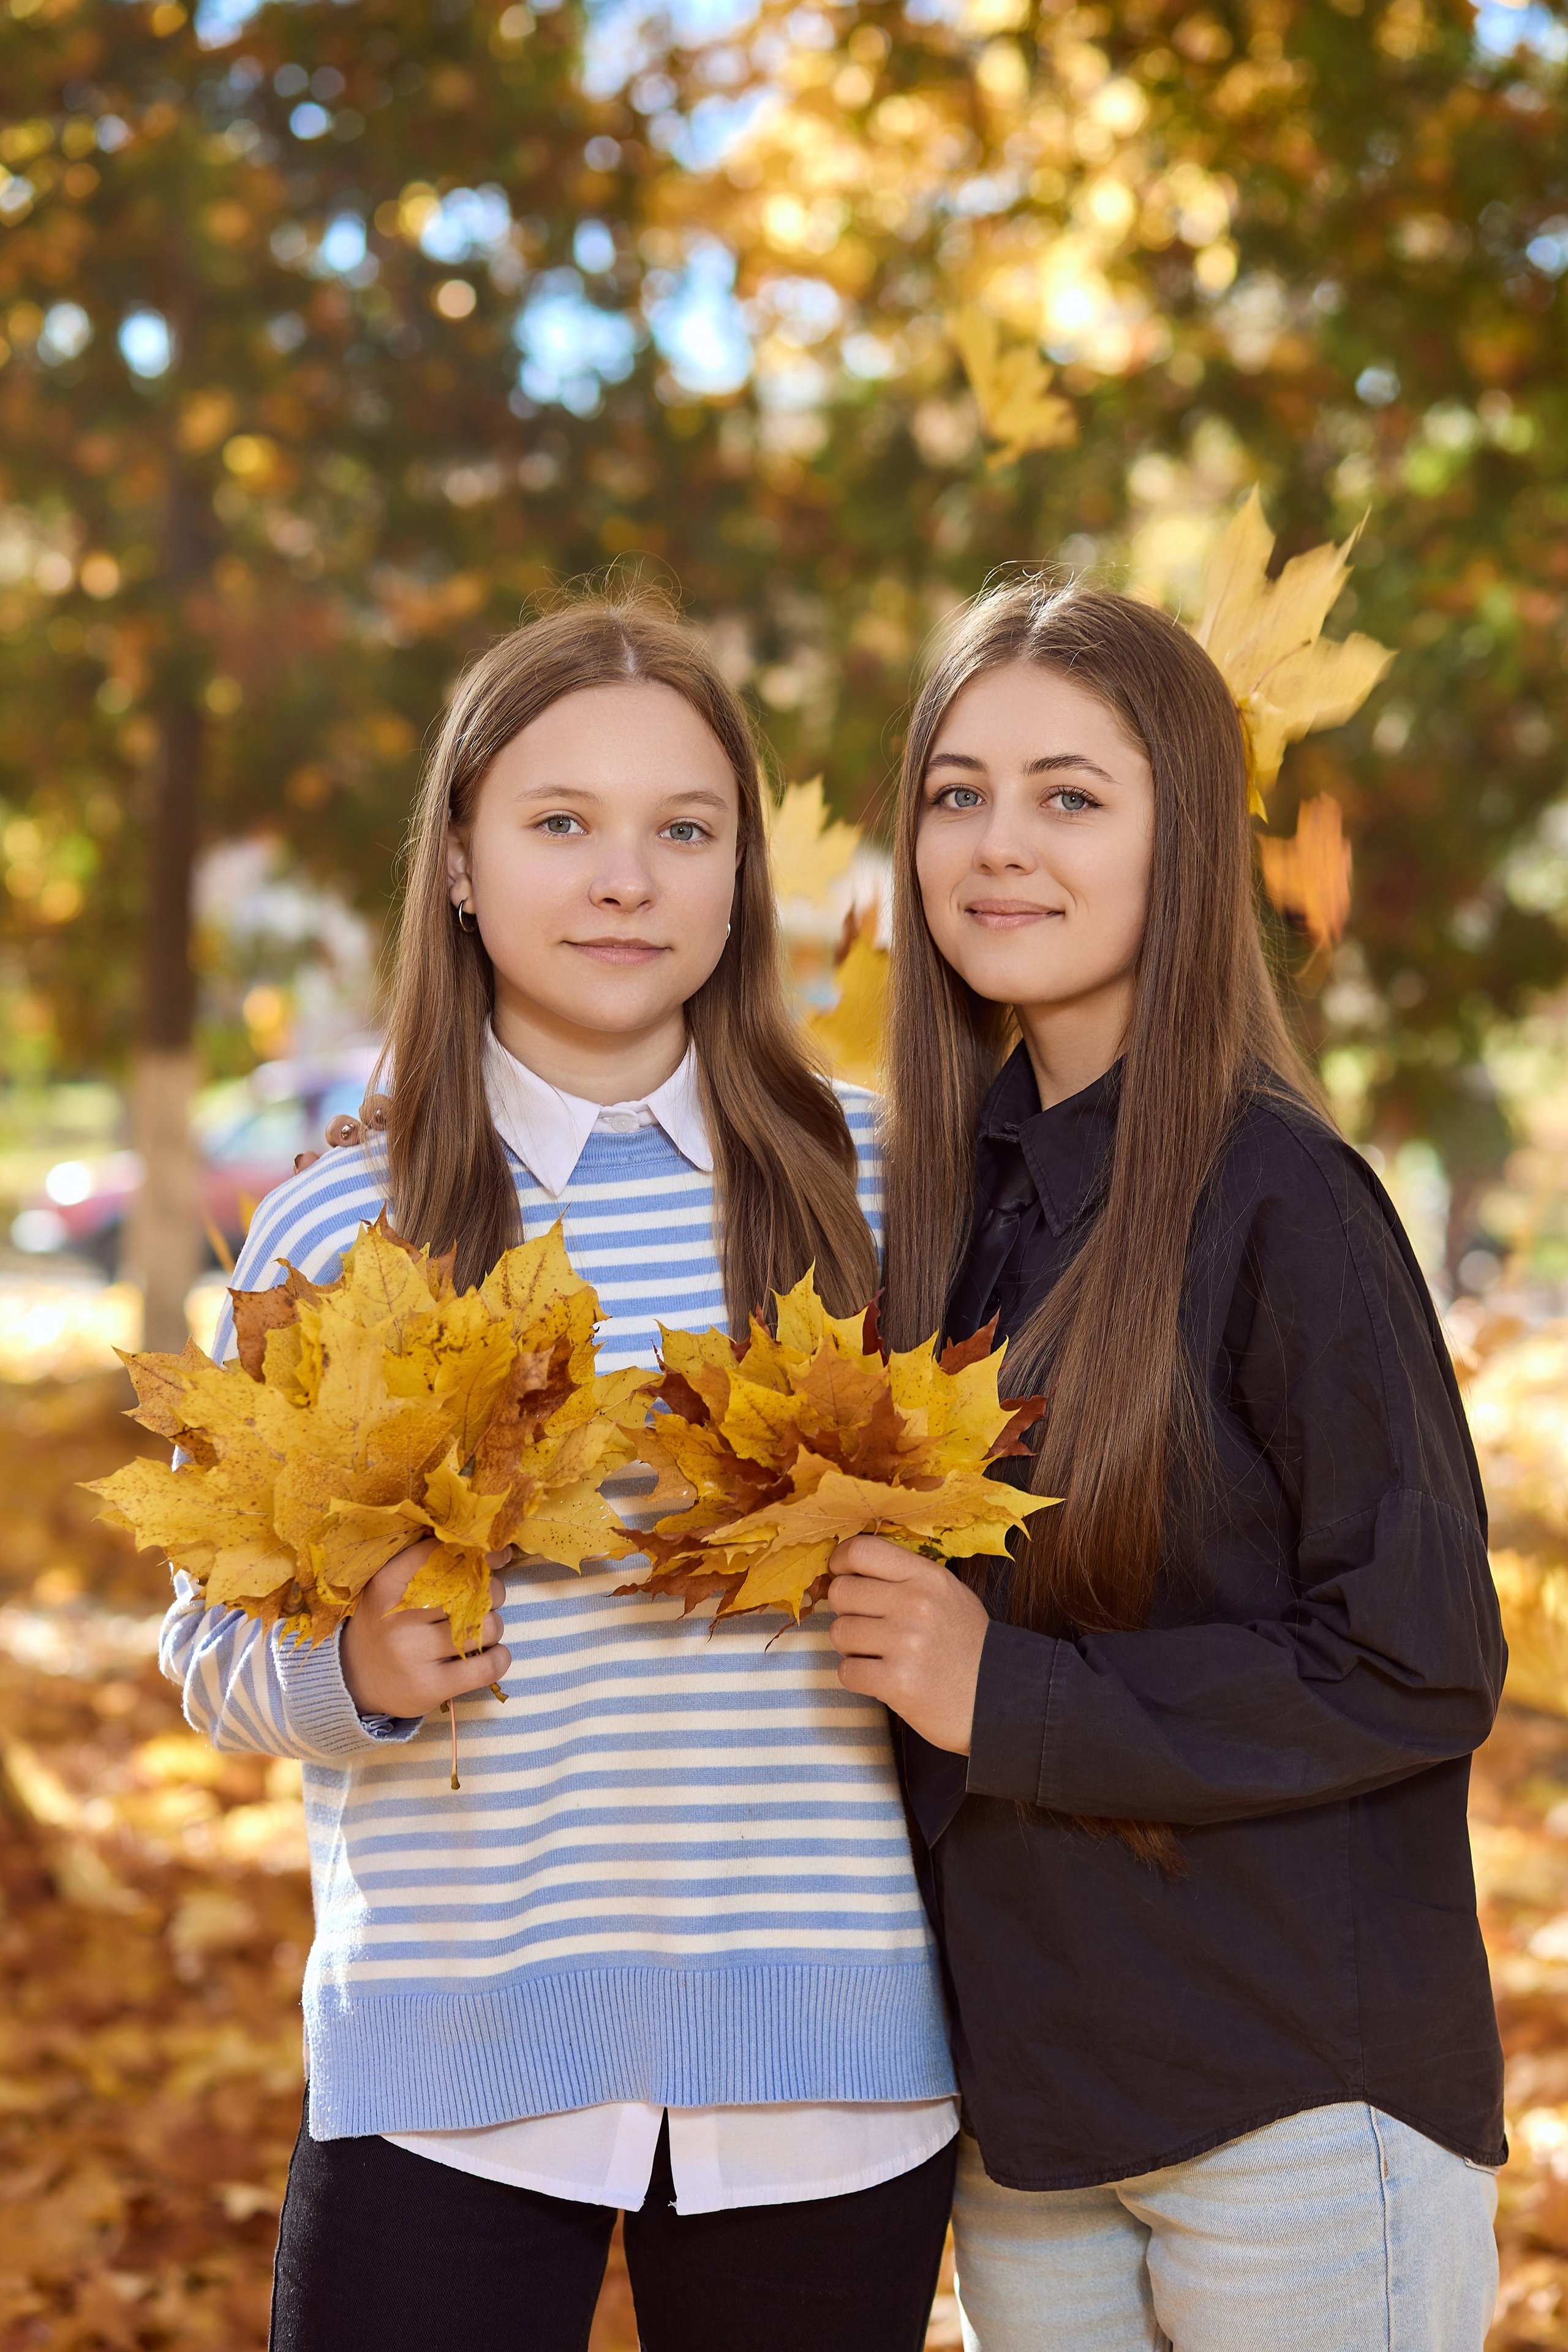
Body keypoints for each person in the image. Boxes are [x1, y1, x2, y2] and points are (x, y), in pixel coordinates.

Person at [160, 591, 957, 2352]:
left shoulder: (884, 1193)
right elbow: (206, 1645)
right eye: (561, 824)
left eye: (685, 832)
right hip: (450, 2054)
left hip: (825, 2061)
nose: (626, 880)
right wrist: (348, 1675)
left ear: (740, 876)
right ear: (458, 860)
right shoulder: (337, 1229)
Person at [824, 578, 1506, 2352]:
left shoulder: (1286, 1200)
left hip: (1283, 2108)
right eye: (955, 793)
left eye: (1070, 795)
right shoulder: (949, 1215)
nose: (996, 845)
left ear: (1183, 839)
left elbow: (1420, 1658)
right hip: (1034, 2133)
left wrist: (1012, 1697)